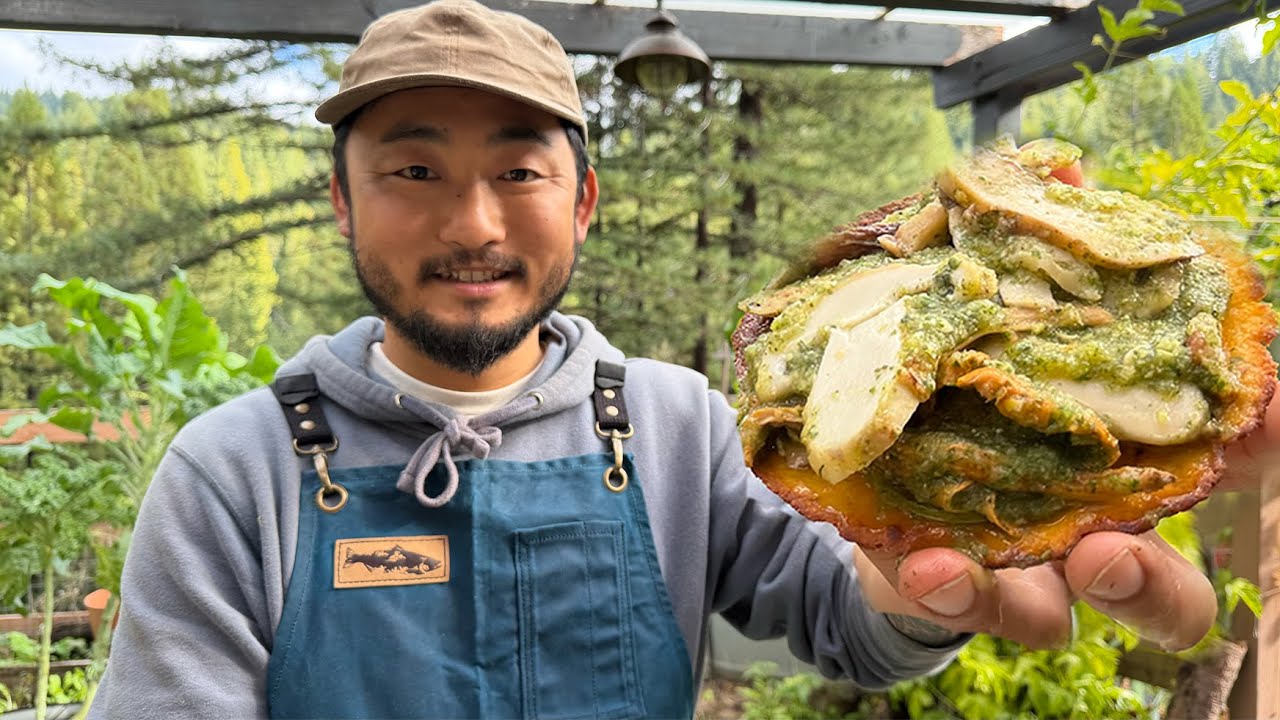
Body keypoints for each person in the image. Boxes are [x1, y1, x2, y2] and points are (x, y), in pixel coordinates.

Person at [89, 1, 1273, 718]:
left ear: (584, 200)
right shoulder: (233, 473)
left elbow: (850, 620)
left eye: (518, 170)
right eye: (412, 170)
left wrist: (943, 535)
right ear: (342, 205)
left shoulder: (670, 425)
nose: (474, 225)